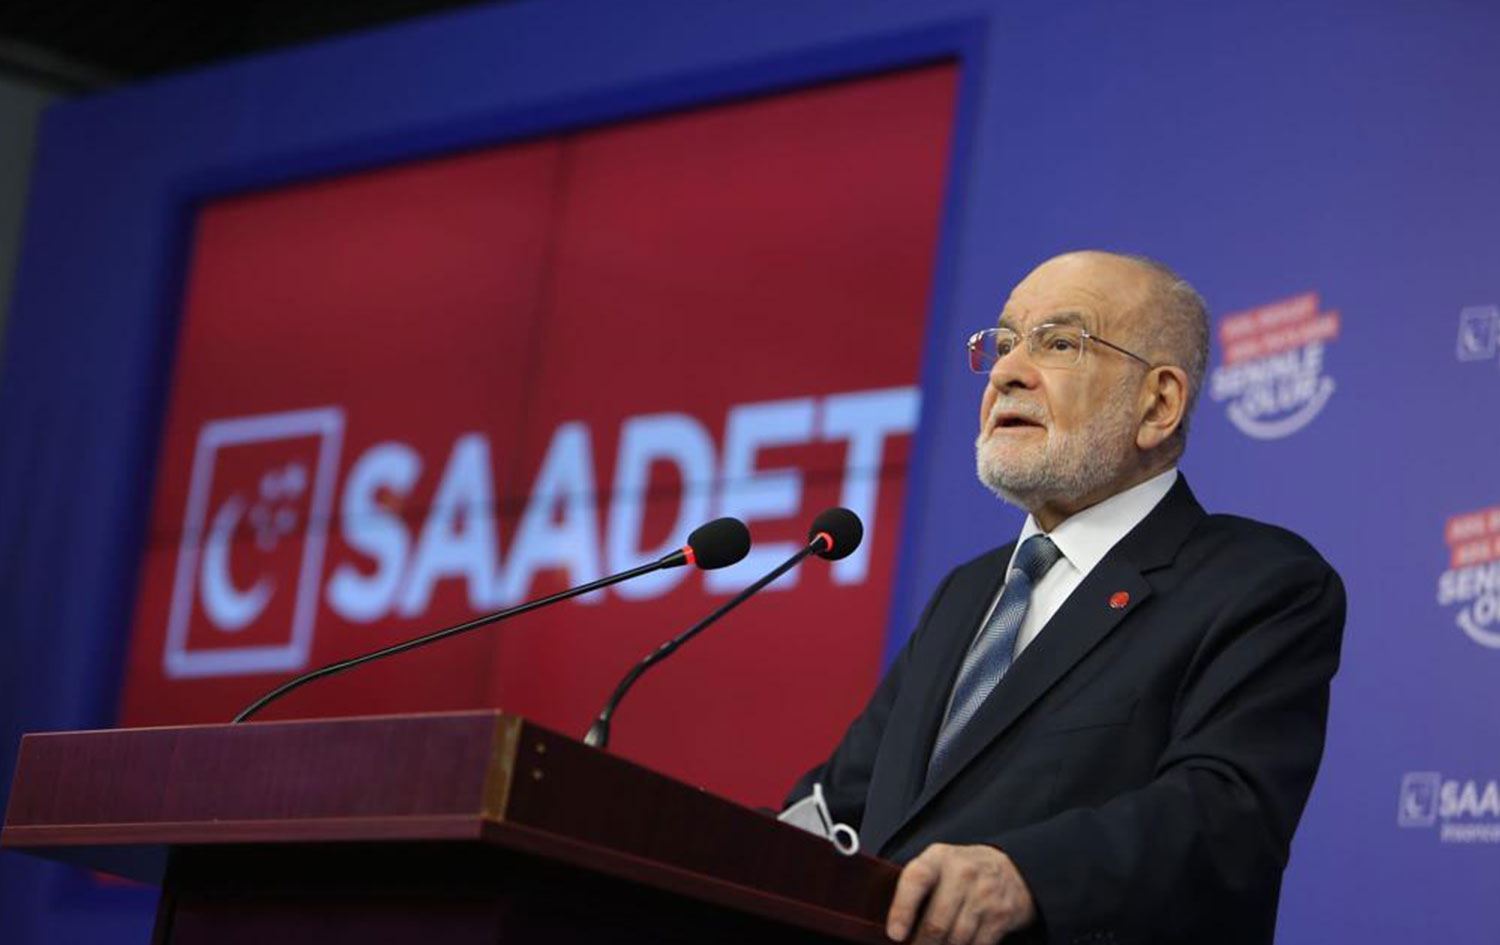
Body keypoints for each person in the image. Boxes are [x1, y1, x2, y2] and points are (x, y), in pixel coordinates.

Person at [787, 251, 1345, 945]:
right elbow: (840, 804)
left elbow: (1225, 817)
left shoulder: (1257, 583)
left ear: (1158, 404)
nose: (1007, 372)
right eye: (1003, 343)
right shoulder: (966, 593)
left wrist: (1026, 875)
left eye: (1058, 344)